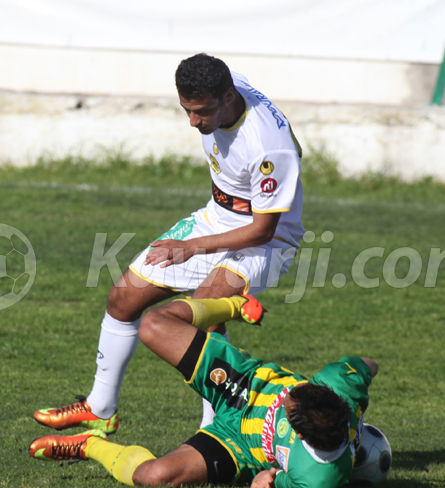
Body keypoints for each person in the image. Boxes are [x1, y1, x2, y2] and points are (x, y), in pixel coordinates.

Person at [33, 53, 305, 433]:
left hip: (268, 242)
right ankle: (100, 408)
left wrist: (194, 247)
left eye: (201, 112)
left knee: (205, 309)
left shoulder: (267, 147)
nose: (194, 122)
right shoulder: (229, 83)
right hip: (216, 218)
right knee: (123, 297)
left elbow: (262, 229)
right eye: (186, 110)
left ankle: (215, 427)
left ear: (228, 97)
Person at [29, 295, 379, 488]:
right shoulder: (341, 384)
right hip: (245, 385)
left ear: (301, 435)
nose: (288, 395)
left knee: (154, 476)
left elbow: (279, 479)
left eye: (289, 404)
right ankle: (231, 305)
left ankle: (88, 444)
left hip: (237, 447)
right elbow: (369, 363)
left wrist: (266, 477)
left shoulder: (320, 478)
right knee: (153, 325)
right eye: (299, 390)